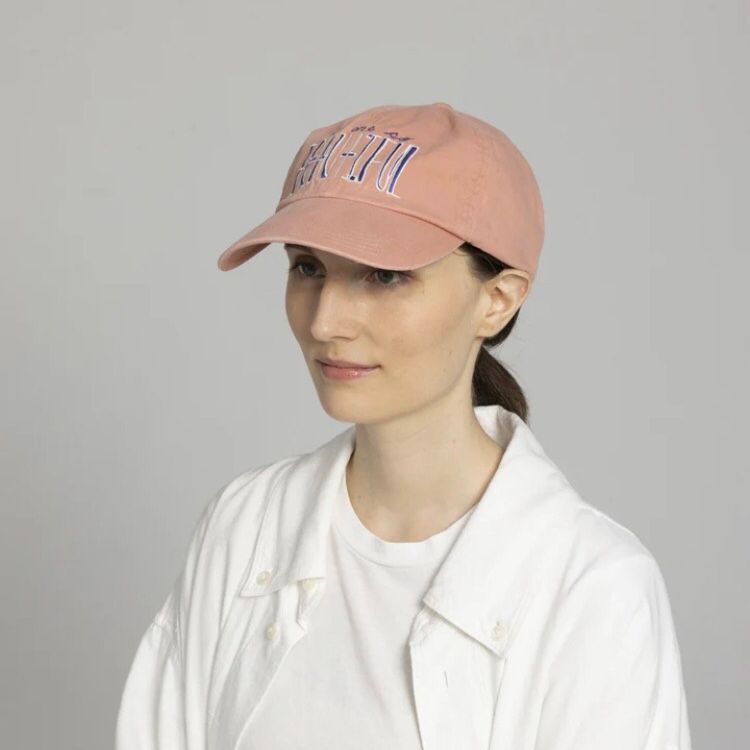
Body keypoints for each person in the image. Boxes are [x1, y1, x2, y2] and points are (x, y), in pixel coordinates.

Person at [115, 102, 693, 749]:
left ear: (497, 300)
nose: (326, 321)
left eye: (385, 275)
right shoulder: (243, 526)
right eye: (308, 267)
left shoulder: (594, 589)